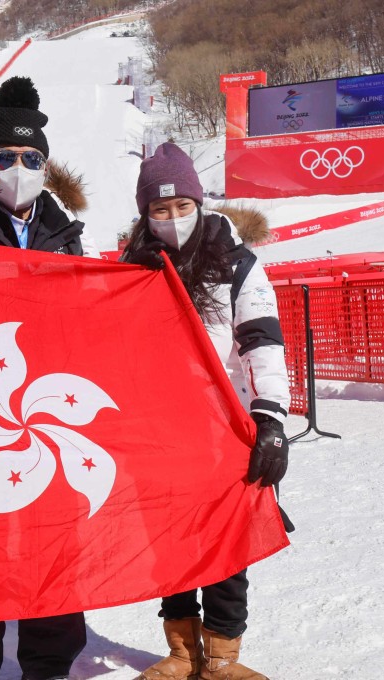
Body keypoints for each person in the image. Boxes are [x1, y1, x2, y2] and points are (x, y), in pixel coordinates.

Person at [0, 75, 95, 680]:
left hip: (48, 412)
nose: (18, 168)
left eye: (32, 158)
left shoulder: (69, 238)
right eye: (5, 157)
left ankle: (48, 665)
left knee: (53, 542)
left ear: (46, 167)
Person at [121, 143, 290, 680]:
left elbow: (262, 339)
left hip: (226, 424)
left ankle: (221, 657)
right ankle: (181, 651)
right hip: (161, 427)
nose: (172, 219)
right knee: (170, 541)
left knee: (225, 543)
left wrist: (270, 418)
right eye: (159, 210)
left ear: (199, 202)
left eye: (182, 206)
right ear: (146, 213)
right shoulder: (135, 264)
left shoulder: (236, 262)